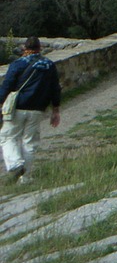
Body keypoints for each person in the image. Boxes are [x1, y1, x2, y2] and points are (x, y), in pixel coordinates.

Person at [0, 36, 61, 184]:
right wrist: (55, 110)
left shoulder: (18, 64)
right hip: (37, 109)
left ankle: (15, 164)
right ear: (40, 48)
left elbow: (7, 85)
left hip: (17, 108)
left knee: (8, 137)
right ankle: (25, 178)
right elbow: (55, 89)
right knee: (30, 143)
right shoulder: (49, 65)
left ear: (24, 48)